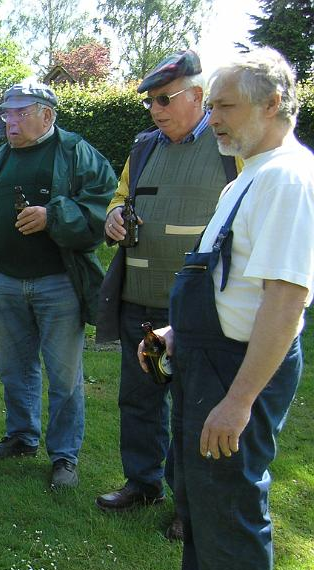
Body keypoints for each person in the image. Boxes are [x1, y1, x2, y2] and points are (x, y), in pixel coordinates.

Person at [135, 48, 313, 570]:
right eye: (209, 106)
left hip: (239, 372)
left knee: (231, 503)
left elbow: (285, 302)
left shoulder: (288, 180)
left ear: (274, 103)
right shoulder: (249, 176)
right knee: (198, 497)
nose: (213, 118)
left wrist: (239, 401)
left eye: (226, 106)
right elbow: (230, 280)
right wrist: (179, 334)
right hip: (207, 359)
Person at [94, 50, 240, 541]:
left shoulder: (229, 147)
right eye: (150, 102)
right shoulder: (143, 148)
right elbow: (120, 197)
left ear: (198, 96)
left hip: (198, 308)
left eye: (164, 99)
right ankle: (142, 485)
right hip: (139, 298)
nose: (155, 110)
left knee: (192, 407)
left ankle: (188, 503)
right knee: (138, 399)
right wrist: (114, 216)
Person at [0, 81, 116, 489]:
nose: (10, 122)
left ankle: (64, 456)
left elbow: (102, 208)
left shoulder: (76, 152)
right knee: (14, 368)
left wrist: (53, 216)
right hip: (7, 281)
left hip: (59, 284)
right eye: (6, 114)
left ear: (47, 115)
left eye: (20, 113)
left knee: (64, 377)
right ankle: (20, 437)